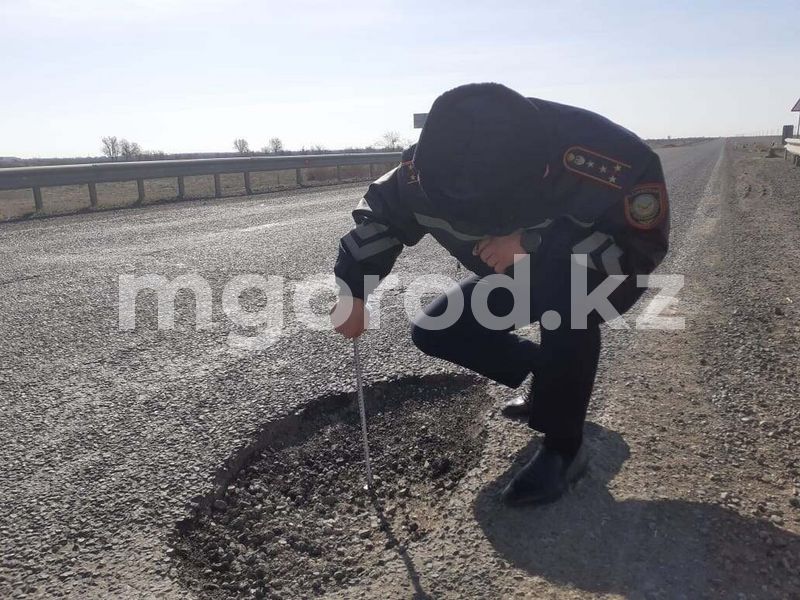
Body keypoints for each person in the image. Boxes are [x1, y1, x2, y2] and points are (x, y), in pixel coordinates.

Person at [330, 83, 669, 506]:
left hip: (592, 275)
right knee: (435, 329)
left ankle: (565, 447)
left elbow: (636, 251)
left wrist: (533, 240)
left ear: (540, 174)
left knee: (568, 308)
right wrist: (353, 290)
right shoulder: (431, 162)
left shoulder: (607, 160)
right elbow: (381, 219)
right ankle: (551, 377)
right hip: (514, 274)